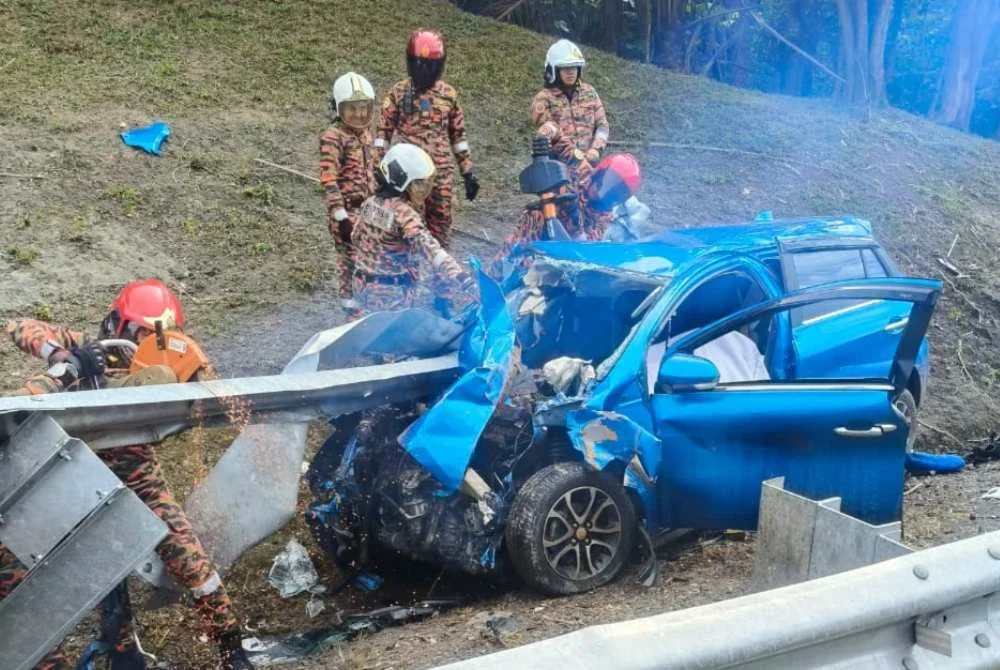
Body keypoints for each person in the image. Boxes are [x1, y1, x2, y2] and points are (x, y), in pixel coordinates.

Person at [1, 279, 254, 670]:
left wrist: (206, 386)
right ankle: (109, 650)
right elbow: (19, 326)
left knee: (191, 561)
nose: (143, 343)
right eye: (137, 333)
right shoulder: (85, 349)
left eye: (155, 335)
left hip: (138, 479)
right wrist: (64, 357)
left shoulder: (170, 363)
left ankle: (230, 647)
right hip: (74, 479)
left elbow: (220, 396)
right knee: (55, 567)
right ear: (117, 325)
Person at [375, 29, 479, 250]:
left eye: (432, 65)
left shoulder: (448, 95)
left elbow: (458, 136)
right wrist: (378, 168)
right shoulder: (399, 92)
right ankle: (410, 274)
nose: (426, 71)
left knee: (440, 223)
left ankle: (441, 276)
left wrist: (468, 171)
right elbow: (382, 133)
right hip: (407, 175)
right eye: (421, 64)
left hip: (439, 174)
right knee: (408, 224)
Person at [350, 143, 474, 316]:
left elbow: (355, 237)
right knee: (393, 337)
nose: (425, 191)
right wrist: (462, 278)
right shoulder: (404, 214)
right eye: (419, 184)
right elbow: (430, 248)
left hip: (361, 285)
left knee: (366, 332)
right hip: (390, 294)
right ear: (403, 182)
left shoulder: (369, 204)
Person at [490, 152, 642, 278]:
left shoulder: (602, 221)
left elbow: (581, 254)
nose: (601, 192)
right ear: (598, 173)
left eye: (613, 194)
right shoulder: (573, 178)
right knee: (490, 283)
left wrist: (574, 219)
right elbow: (557, 152)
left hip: (542, 270)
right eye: (603, 182)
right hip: (524, 240)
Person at [319, 71, 377, 317]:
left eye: (363, 108)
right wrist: (340, 215)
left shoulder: (367, 136)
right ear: (339, 108)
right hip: (347, 211)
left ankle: (368, 308)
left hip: (369, 210)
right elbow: (328, 177)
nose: (359, 114)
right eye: (352, 109)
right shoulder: (333, 137)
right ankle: (352, 312)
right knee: (351, 263)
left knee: (372, 260)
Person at [531, 39, 609, 173]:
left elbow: (602, 125)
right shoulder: (543, 99)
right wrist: (576, 159)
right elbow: (550, 133)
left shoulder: (590, 93)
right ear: (553, 70)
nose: (571, 72)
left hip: (590, 167)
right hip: (559, 172)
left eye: (574, 67)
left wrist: (596, 150)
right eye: (565, 68)